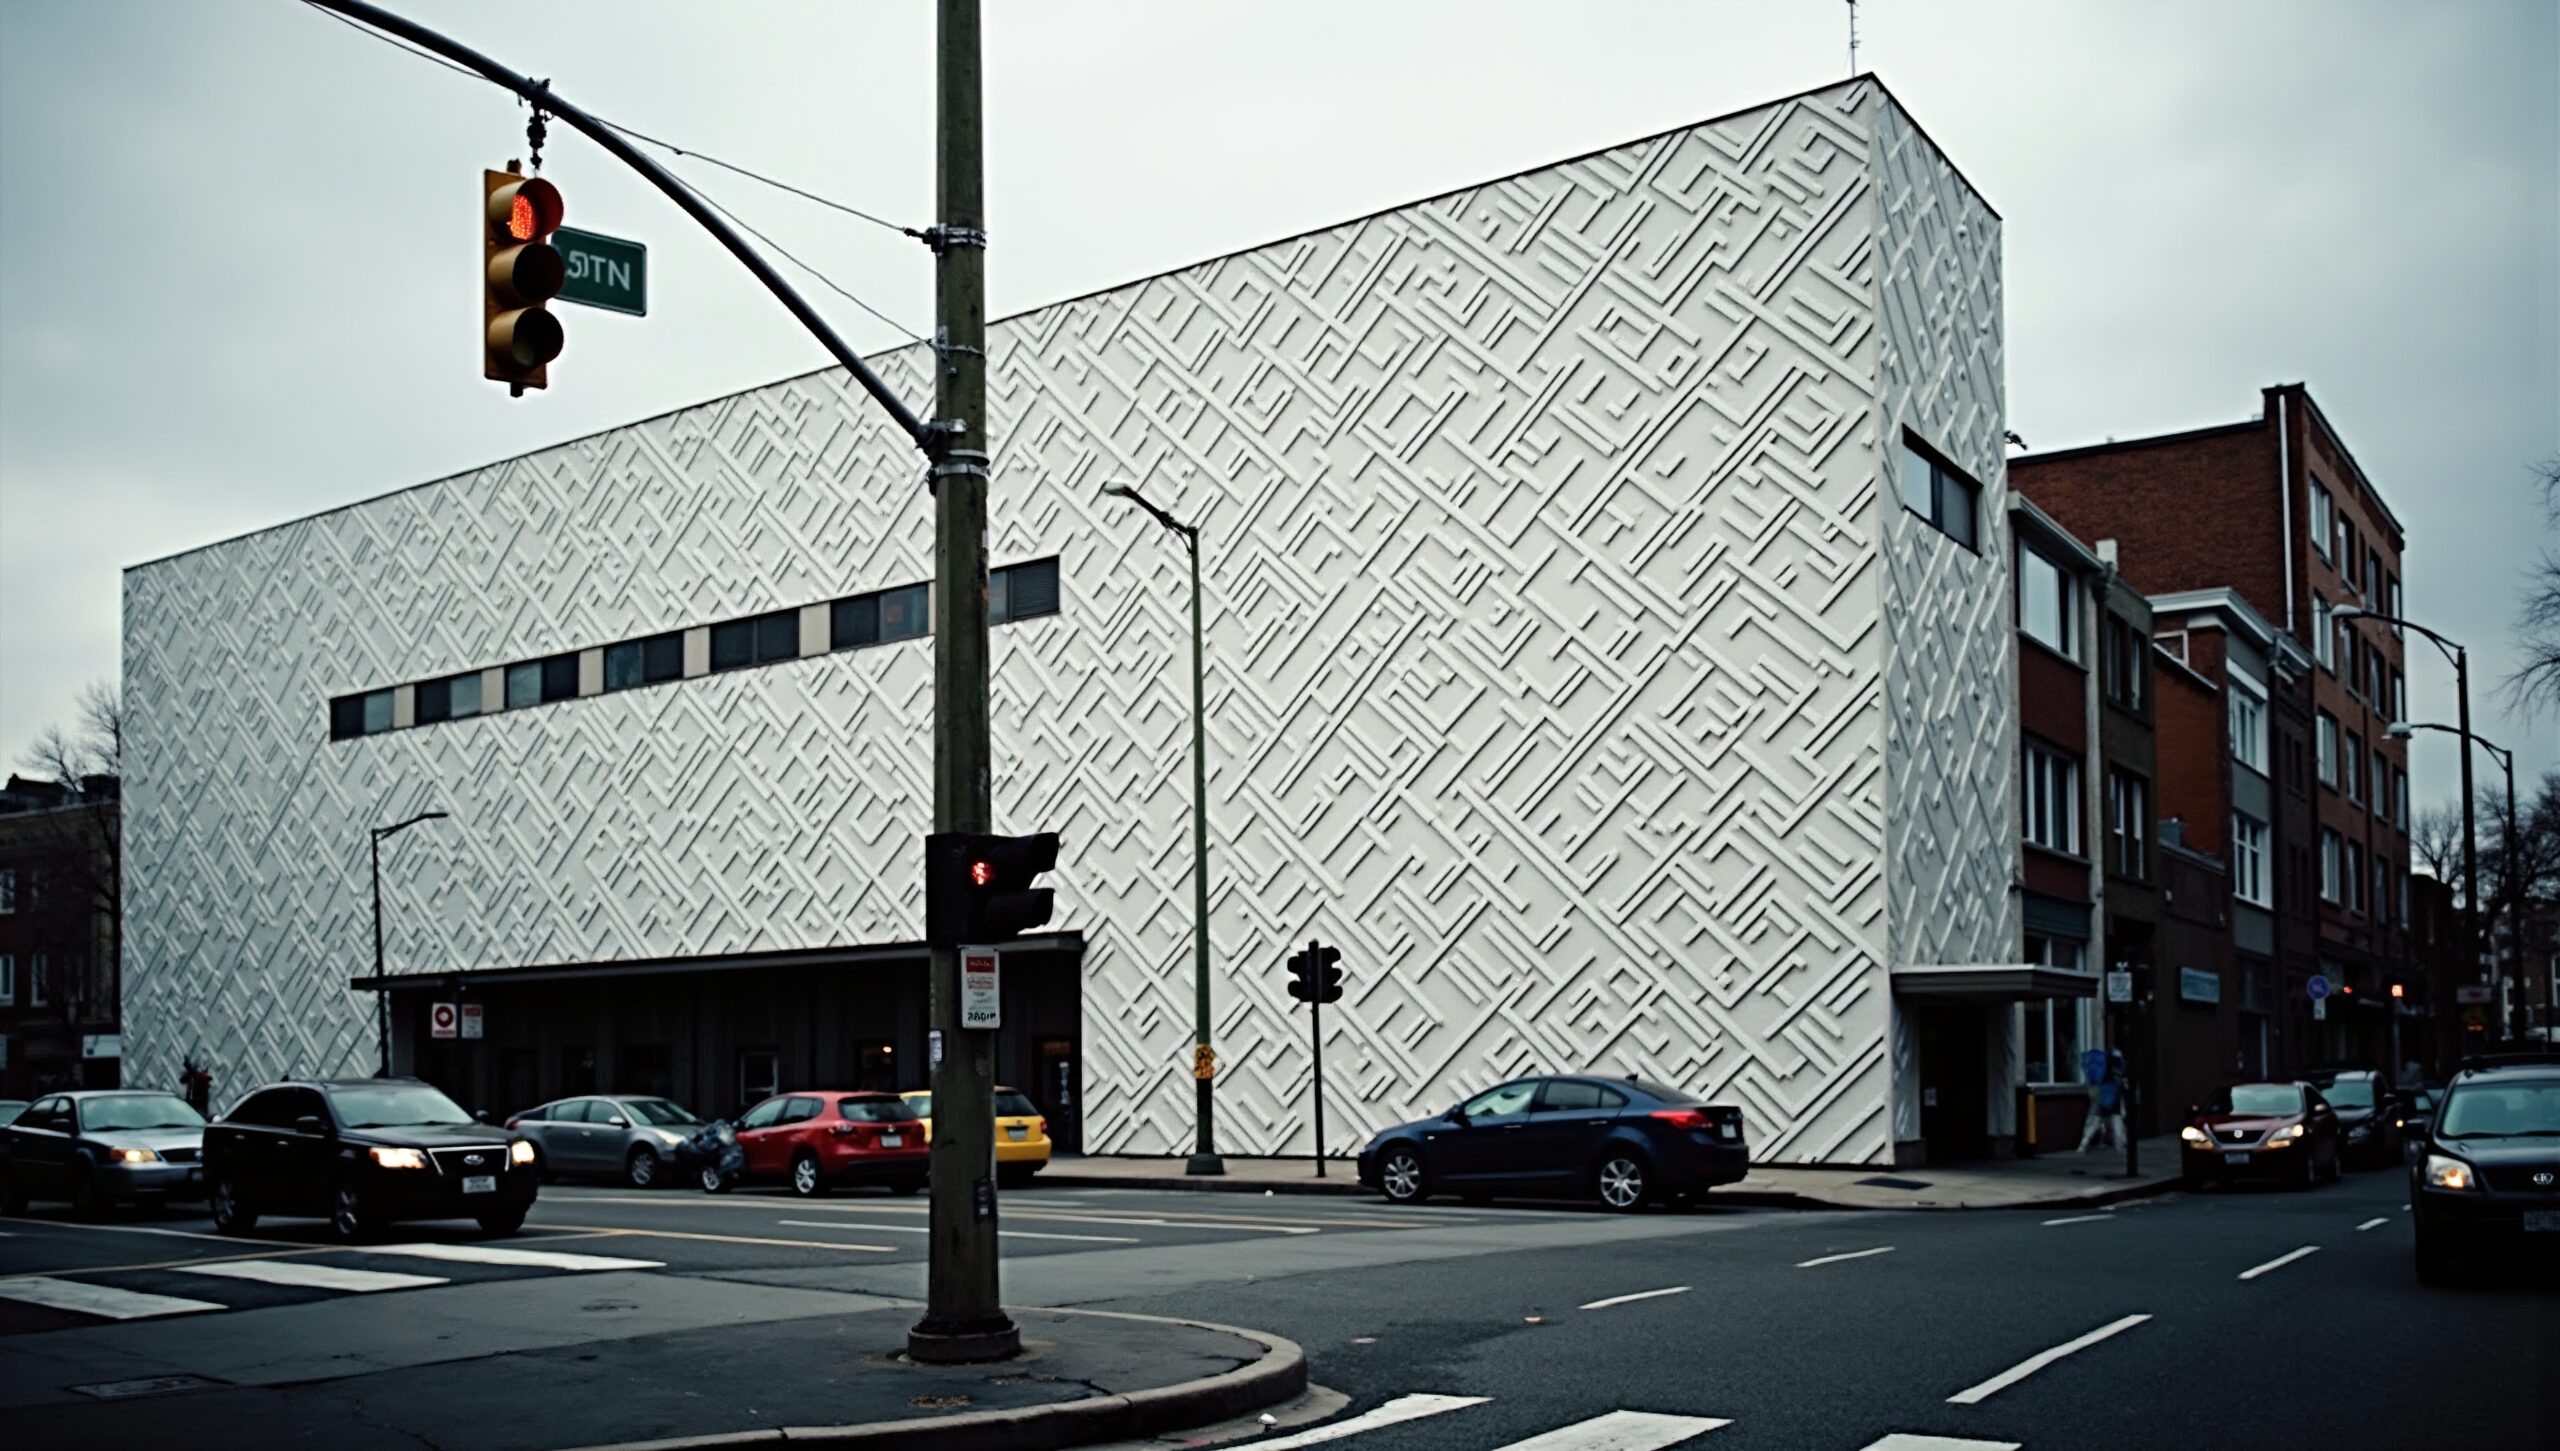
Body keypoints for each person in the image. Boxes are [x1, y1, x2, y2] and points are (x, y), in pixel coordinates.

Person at [2078, 1047, 2122, 1152]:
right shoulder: (2116, 1062)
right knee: (2115, 1117)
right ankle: (2119, 1144)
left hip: (2096, 1089)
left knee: (2095, 1117)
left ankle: (2084, 1142)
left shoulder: (2100, 1061)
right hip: (2110, 1091)